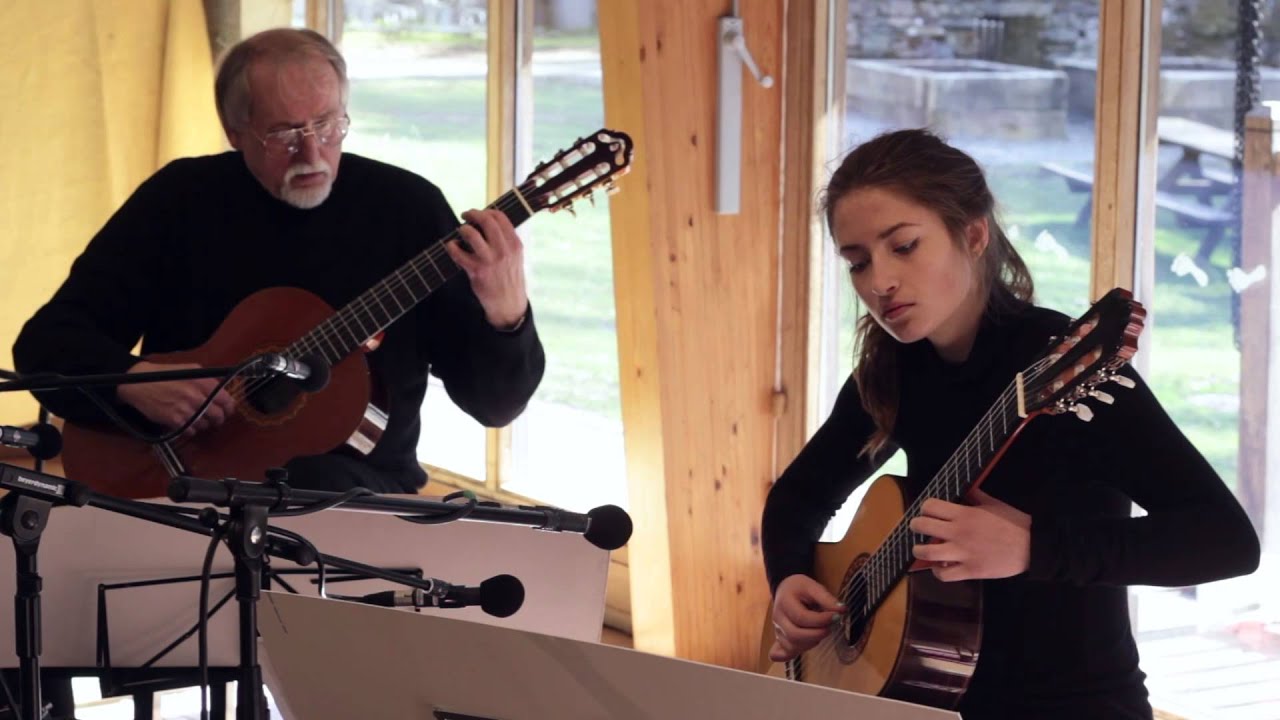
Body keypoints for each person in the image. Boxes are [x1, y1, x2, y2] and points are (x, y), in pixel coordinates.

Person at [761, 128, 1260, 718]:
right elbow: (798, 497)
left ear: (973, 235)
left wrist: (1033, 547)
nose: (878, 282)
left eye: (904, 246)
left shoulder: (1064, 367)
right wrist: (790, 577)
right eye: (858, 262)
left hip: (1076, 704)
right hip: (925, 701)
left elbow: (1226, 541)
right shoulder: (894, 369)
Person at [12, 28, 545, 494]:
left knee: (322, 485)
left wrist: (507, 314)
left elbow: (495, 407)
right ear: (234, 132)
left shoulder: (406, 209)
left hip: (355, 499)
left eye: (328, 125)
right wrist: (131, 380)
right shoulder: (180, 202)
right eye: (285, 134)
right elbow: (45, 345)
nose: (312, 154)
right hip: (182, 489)